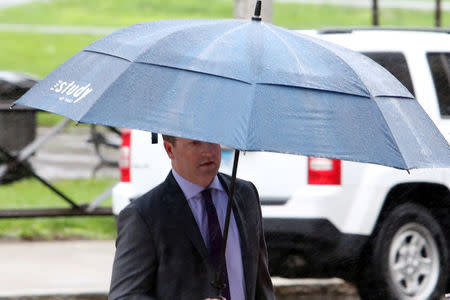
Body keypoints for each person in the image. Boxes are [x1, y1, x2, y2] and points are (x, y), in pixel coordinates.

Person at [109, 135, 275, 300]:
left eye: (212, 139)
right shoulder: (144, 215)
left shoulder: (245, 195)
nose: (208, 152)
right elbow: (124, 296)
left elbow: (261, 286)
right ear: (169, 149)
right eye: (195, 143)